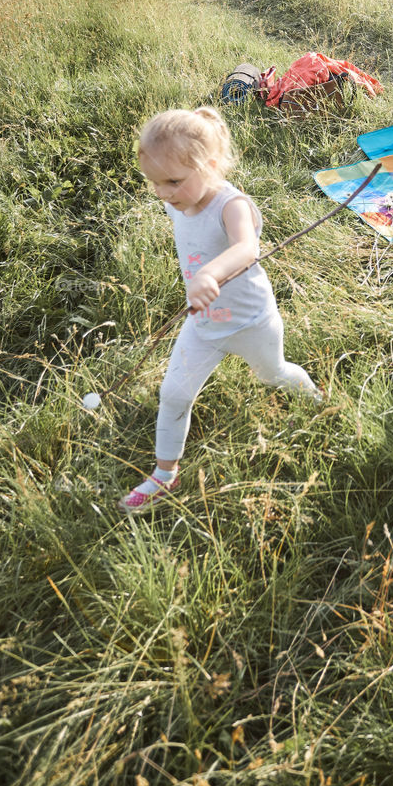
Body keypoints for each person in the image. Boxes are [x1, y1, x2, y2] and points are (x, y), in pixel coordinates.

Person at [119, 107, 322, 514]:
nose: (163, 193)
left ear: (209, 166)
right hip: (203, 324)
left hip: (251, 321)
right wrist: (201, 282)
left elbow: (246, 248)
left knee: (273, 373)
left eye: (173, 181)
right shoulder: (177, 200)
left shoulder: (233, 205)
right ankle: (164, 474)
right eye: (154, 183)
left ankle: (315, 397)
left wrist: (211, 273)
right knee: (173, 394)